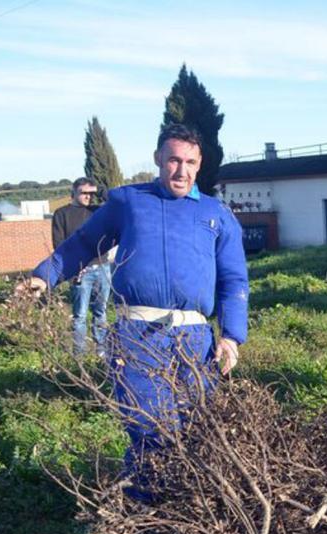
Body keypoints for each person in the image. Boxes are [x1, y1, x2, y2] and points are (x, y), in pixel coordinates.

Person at [17, 124, 249, 502]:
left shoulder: (216, 214)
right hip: (138, 336)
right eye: (173, 159)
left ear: (200, 164)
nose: (181, 170)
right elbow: (84, 243)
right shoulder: (128, 203)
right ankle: (144, 516)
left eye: (190, 162)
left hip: (196, 340)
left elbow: (234, 278)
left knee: (198, 429)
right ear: (158, 158)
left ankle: (189, 511)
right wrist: (45, 276)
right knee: (150, 429)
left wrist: (231, 336)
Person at [51, 177, 112, 357]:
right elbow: (59, 244)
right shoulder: (62, 214)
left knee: (101, 313)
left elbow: (116, 204)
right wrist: (73, 269)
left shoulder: (98, 211)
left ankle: (102, 353)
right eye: (83, 193)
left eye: (90, 194)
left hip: (102, 267)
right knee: (80, 316)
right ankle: (80, 356)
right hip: (80, 271)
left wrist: (100, 190)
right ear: (73, 193)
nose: (87, 197)